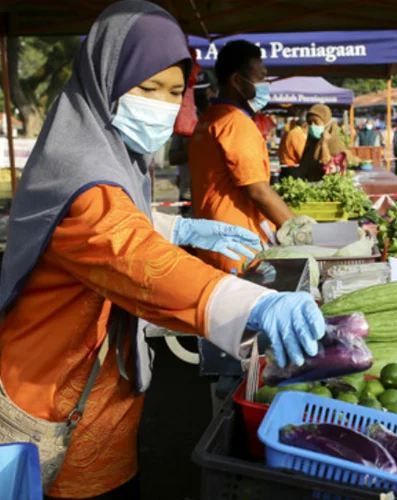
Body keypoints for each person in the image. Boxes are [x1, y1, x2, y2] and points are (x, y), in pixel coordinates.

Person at [0, 3, 325, 498]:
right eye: (146, 88)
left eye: (174, 91)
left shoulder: (105, 148)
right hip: (51, 389)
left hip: (103, 390)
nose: (162, 103)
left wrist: (181, 228)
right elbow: (121, 244)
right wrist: (253, 304)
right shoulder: (83, 170)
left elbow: (122, 218)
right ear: (105, 77)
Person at [189, 39, 295, 273]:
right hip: (238, 248)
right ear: (237, 80)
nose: (265, 85)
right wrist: (297, 228)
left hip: (213, 240)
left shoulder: (208, 118)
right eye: (261, 77)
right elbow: (257, 190)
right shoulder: (235, 122)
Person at [170, 69, 216, 217]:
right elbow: (173, 157)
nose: (198, 96)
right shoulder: (185, 121)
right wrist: (193, 151)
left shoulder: (221, 119)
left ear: (213, 91)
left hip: (215, 193)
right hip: (189, 194)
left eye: (202, 91)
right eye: (194, 93)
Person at [284, 104, 348, 182]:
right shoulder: (311, 143)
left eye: (316, 122)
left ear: (326, 122)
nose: (312, 125)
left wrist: (324, 144)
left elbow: (331, 168)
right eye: (310, 122)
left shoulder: (334, 144)